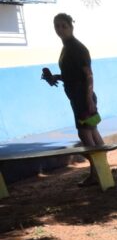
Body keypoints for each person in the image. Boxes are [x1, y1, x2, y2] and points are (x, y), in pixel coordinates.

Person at [41, 13, 104, 187]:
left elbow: (88, 75)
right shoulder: (66, 48)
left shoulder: (77, 48)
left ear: (71, 26)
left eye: (63, 26)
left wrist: (89, 98)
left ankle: (97, 172)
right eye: (57, 26)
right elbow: (72, 75)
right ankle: (99, 172)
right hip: (76, 96)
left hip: (82, 97)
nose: (60, 29)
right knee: (91, 131)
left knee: (85, 133)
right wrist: (56, 77)